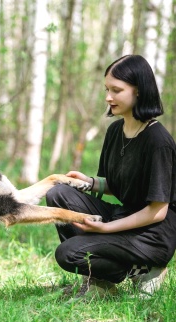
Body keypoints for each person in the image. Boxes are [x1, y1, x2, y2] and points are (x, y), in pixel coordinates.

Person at [46, 54, 176, 299]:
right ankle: (101, 280)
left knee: (69, 253)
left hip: (152, 234)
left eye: (117, 90)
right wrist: (88, 183)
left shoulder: (159, 142)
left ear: (139, 91)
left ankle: (145, 269)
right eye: (107, 89)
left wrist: (106, 229)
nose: (108, 97)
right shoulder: (116, 130)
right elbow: (115, 186)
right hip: (125, 215)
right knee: (58, 193)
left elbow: (157, 210)